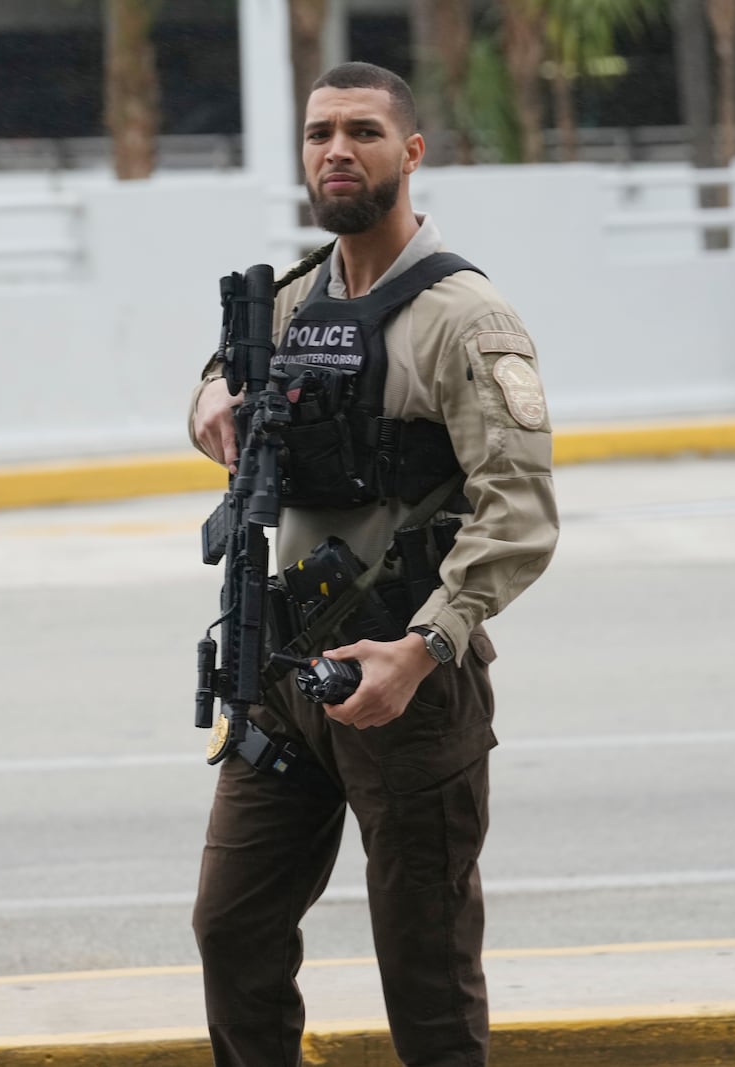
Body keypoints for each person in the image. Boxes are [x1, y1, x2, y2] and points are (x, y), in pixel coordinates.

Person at [186, 63, 558, 1066]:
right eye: (318, 134)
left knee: (426, 981)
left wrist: (425, 644)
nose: (336, 151)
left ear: (410, 152)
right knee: (232, 929)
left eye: (360, 131)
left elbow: (517, 514)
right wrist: (207, 399)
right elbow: (221, 378)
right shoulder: (295, 300)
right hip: (283, 681)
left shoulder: (464, 319)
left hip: (408, 681)